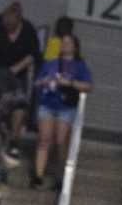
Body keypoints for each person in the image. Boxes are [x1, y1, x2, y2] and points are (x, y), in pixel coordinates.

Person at [32, 34, 91, 187]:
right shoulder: (50, 63)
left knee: (60, 141)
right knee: (44, 139)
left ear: (75, 46)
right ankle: (38, 175)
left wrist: (70, 83)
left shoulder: (80, 65)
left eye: (68, 42)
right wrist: (44, 81)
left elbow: (88, 85)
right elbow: (37, 82)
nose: (64, 45)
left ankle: (60, 176)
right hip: (48, 103)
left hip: (66, 106)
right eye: (63, 42)